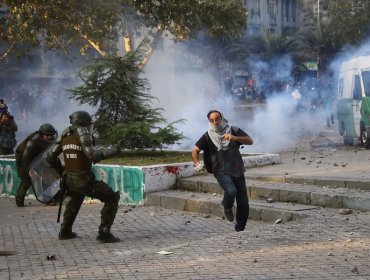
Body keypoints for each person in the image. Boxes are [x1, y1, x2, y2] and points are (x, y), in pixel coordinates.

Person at [46, 110, 121, 243]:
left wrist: (62, 169)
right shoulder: (83, 136)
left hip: (69, 179)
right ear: (82, 124)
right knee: (111, 198)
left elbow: (50, 157)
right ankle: (104, 232)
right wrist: (114, 151)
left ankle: (65, 231)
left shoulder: (65, 135)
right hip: (83, 180)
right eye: (88, 125)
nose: (89, 128)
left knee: (75, 199)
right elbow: (93, 156)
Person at [191, 110, 253, 232]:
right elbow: (195, 150)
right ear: (209, 121)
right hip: (220, 170)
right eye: (212, 120)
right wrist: (197, 163)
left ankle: (240, 229)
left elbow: (250, 141)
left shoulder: (233, 130)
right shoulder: (208, 135)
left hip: (237, 169)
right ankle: (227, 205)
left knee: (243, 202)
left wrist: (235, 138)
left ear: (222, 117)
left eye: (217, 119)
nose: (215, 122)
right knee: (231, 190)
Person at [15, 123, 58, 207]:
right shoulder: (32, 143)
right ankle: (19, 199)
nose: (50, 137)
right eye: (47, 135)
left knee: (47, 175)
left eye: (51, 135)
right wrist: (31, 172)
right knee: (26, 180)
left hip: (37, 159)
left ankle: (47, 198)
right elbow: (25, 160)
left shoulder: (50, 139)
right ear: (41, 135)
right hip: (24, 160)